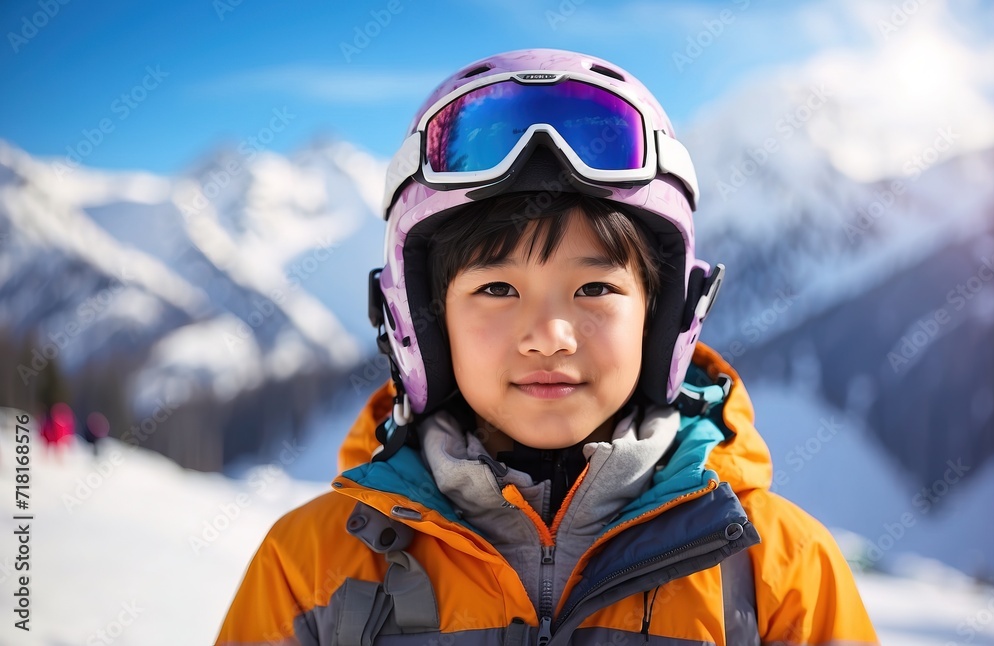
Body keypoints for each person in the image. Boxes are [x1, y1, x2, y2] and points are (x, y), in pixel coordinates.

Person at [217, 49, 878, 645]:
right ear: (420, 323)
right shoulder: (310, 569)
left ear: (664, 318)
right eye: (498, 289)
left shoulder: (780, 573)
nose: (550, 335)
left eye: (594, 286)